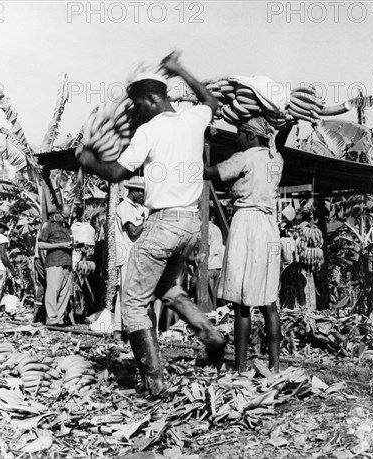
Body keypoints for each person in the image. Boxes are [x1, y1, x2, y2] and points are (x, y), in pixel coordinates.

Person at [77, 51, 226, 397]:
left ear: (150, 98)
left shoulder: (150, 130)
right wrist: (179, 69)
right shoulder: (192, 119)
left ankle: (154, 382)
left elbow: (116, 172)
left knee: (132, 303)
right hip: (191, 225)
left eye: (137, 104)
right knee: (164, 288)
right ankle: (209, 332)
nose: (135, 112)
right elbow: (210, 99)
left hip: (162, 224)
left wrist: (89, 160)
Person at [204, 117, 291, 373]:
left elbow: (208, 173)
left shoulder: (244, 157)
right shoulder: (276, 160)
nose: (237, 139)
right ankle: (275, 365)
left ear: (251, 136)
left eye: (240, 134)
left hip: (245, 224)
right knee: (268, 300)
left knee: (243, 301)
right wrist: (288, 123)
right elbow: (280, 142)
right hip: (268, 225)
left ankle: (240, 367)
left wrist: (201, 144)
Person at [113, 176, 147, 337]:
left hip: (132, 254)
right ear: (134, 191)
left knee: (127, 292)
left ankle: (121, 328)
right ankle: (126, 328)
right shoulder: (125, 207)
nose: (143, 196)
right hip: (127, 254)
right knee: (128, 293)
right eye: (141, 193)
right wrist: (147, 222)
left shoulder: (134, 207)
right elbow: (133, 232)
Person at [37, 203, 75, 326]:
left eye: (68, 217)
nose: (66, 219)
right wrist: (60, 245)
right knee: (53, 291)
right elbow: (41, 245)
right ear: (57, 213)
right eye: (64, 216)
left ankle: (58, 319)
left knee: (65, 293)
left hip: (67, 262)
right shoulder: (48, 225)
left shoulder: (67, 227)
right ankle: (51, 319)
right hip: (54, 262)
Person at [207, 218, 224, 312]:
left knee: (209, 296)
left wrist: (206, 264)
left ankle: (210, 314)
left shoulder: (206, 229)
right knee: (215, 295)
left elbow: (211, 248)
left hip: (210, 265)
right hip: (218, 264)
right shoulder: (217, 228)